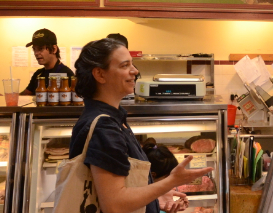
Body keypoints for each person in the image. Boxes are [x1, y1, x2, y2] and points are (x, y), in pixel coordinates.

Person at [69, 38, 212, 213]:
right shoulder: (103, 127)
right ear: (100, 74)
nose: (135, 71)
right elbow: (115, 205)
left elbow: (122, 189)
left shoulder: (112, 119)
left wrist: (154, 198)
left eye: (133, 64)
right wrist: (172, 181)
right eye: (124, 65)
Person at [20, 29, 74, 95]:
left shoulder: (66, 74)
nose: (36, 53)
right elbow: (25, 94)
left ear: (54, 49)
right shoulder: (38, 74)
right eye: (34, 49)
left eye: (40, 48)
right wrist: (9, 96)